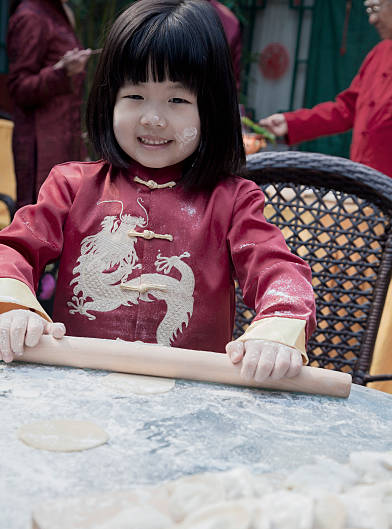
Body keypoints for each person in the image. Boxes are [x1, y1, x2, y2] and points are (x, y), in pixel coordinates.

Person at [0, 0, 316, 384]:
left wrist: (276, 330)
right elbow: (13, 249)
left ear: (210, 109)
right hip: (81, 389)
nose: (153, 118)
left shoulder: (233, 201)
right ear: (108, 99)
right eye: (135, 96)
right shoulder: (72, 186)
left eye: (177, 100)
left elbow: (277, 268)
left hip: (192, 397)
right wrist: (14, 308)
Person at [259, 0, 392, 188]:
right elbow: (346, 109)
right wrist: (291, 123)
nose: (372, 19)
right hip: (367, 184)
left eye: (375, 9)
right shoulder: (379, 53)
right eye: (369, 11)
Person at [7, 0, 91, 210]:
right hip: (41, 147)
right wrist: (60, 73)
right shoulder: (31, 16)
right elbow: (19, 88)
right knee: (42, 221)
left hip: (65, 141)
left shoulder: (59, 11)